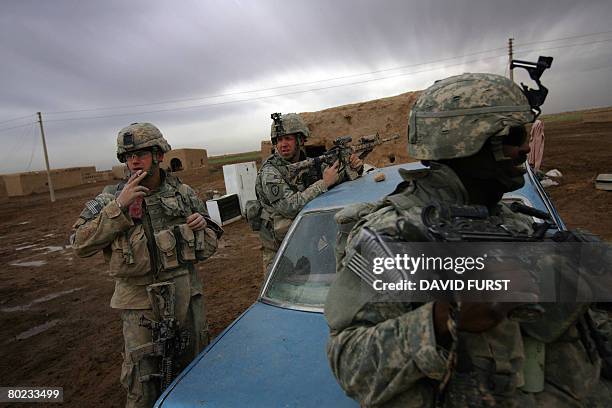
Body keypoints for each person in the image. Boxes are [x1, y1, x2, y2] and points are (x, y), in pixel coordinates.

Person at [324, 73, 612, 407]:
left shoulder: (514, 219)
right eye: (513, 135)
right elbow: (351, 362)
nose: (524, 147)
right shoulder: (400, 235)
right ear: (464, 141)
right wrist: (443, 320)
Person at [71, 122, 222, 408]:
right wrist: (119, 208)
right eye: (128, 156)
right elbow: (79, 243)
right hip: (139, 306)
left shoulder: (184, 194)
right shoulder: (108, 199)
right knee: (143, 383)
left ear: (159, 154)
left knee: (195, 370)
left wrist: (204, 226)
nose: (134, 161)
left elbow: (213, 236)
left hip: (185, 298)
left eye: (141, 153)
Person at [254, 112, 363, 273]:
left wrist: (353, 168)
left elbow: (334, 177)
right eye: (279, 140)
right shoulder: (270, 173)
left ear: (300, 140)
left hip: (307, 242)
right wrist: (323, 183)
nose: (283, 144)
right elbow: (290, 207)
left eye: (288, 138)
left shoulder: (307, 161)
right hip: (281, 250)